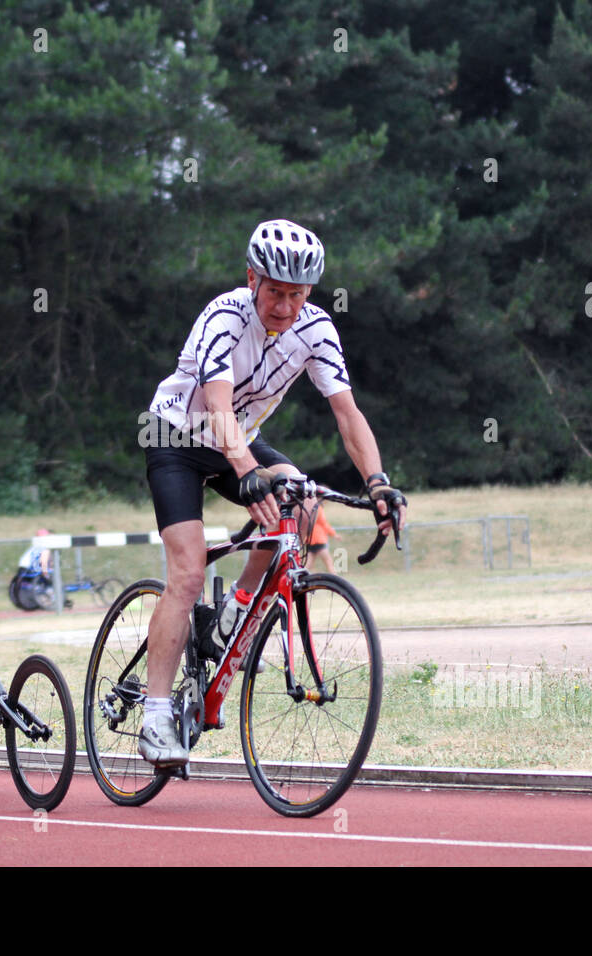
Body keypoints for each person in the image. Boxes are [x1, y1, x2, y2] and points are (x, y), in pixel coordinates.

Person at [137, 218, 407, 769]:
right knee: (187, 575)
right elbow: (217, 404)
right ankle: (155, 711)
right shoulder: (223, 318)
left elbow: (347, 414)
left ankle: (238, 608)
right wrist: (244, 470)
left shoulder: (317, 329)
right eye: (276, 292)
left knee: (304, 501)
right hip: (178, 438)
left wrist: (377, 481)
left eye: (297, 294)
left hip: (241, 442)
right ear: (252, 278)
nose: (285, 305)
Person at [305, 502, 342, 573]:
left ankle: (299, 579)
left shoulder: (308, 508)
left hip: (310, 539)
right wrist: (334, 534)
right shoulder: (318, 508)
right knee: (329, 562)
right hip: (319, 539)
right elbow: (324, 523)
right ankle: (335, 579)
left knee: (308, 564)